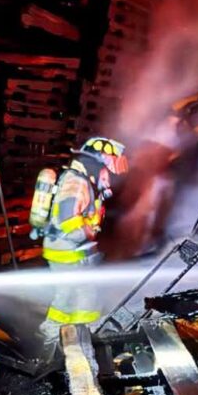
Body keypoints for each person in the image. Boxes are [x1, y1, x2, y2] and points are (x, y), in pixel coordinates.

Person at [33, 137, 127, 354]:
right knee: (68, 294)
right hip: (65, 251)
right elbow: (67, 220)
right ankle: (51, 335)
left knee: (84, 292)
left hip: (73, 250)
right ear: (95, 163)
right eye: (105, 169)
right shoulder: (76, 183)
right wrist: (88, 232)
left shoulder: (84, 180)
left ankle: (85, 332)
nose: (107, 175)